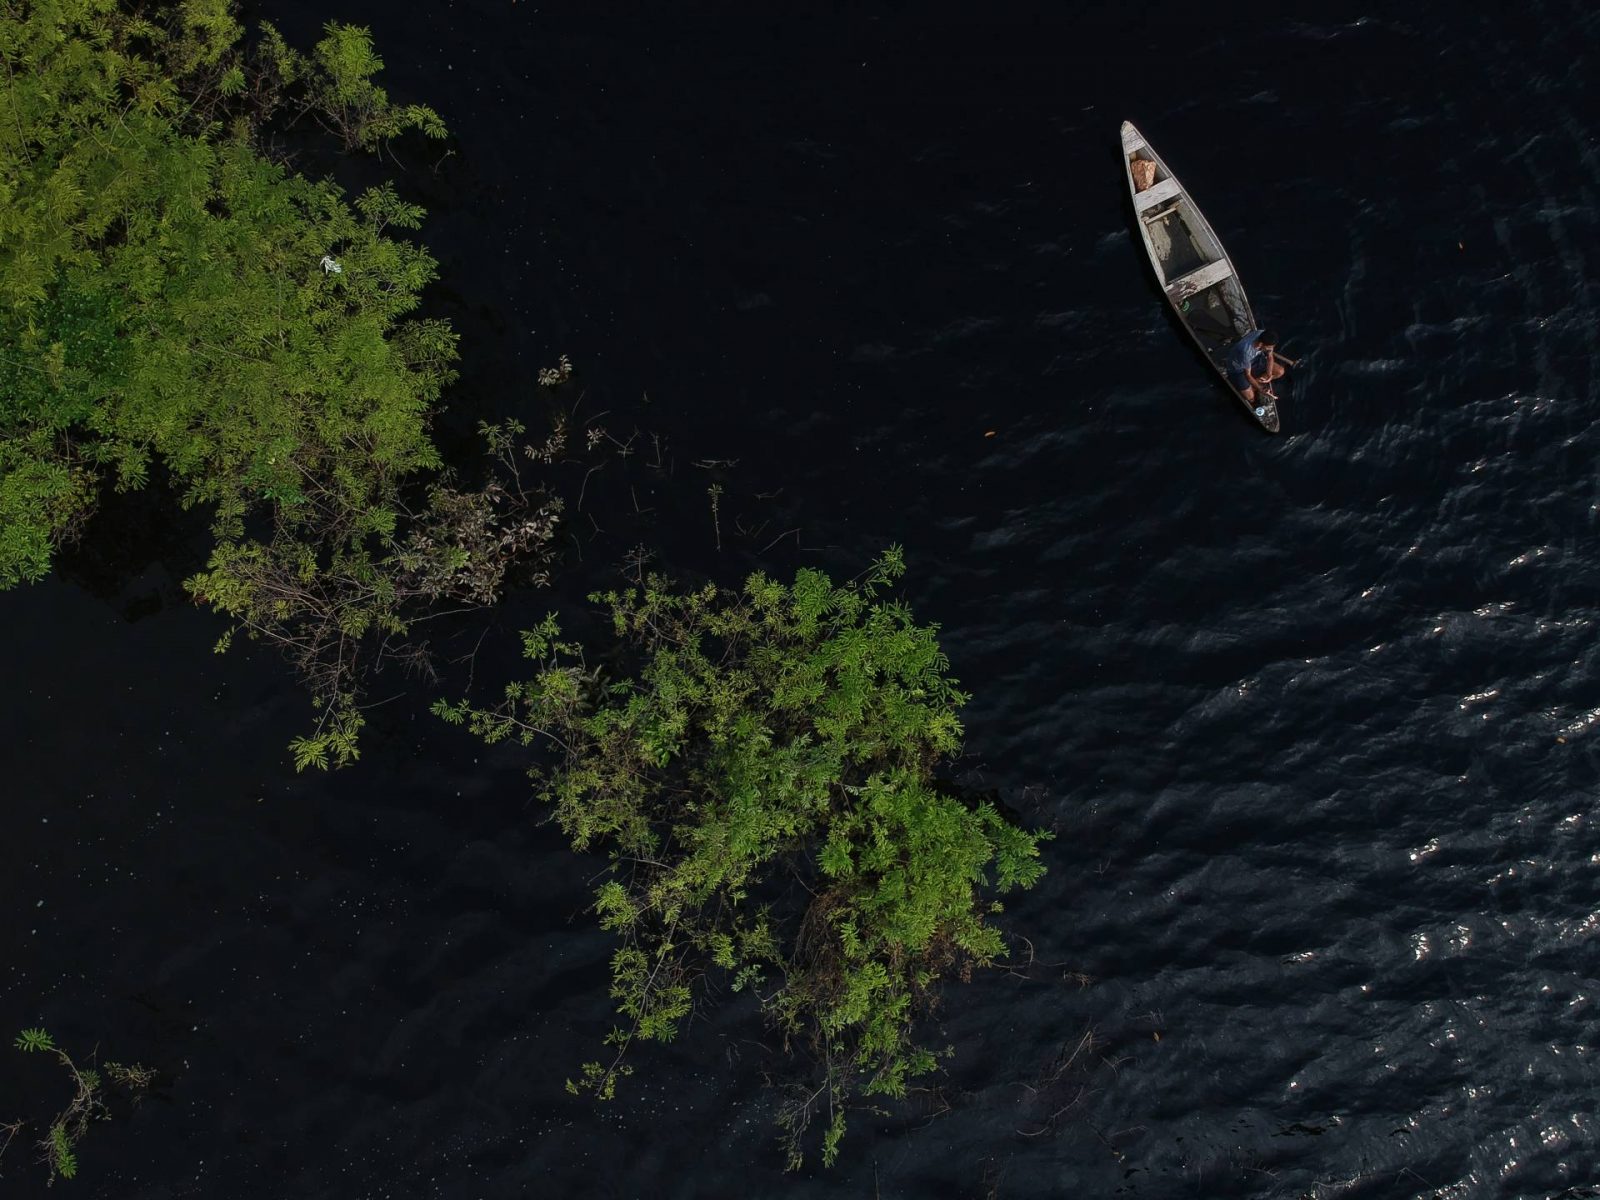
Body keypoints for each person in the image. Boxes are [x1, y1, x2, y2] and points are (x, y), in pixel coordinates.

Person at [1225, 328, 1285, 403]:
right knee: (1250, 398)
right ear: (1261, 344)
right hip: (1238, 368)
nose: (1271, 349)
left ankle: (1252, 386)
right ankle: (1249, 388)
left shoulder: (1263, 334)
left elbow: (1269, 356)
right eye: (1269, 347)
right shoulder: (1246, 351)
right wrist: (1261, 389)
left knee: (1280, 371)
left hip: (1255, 359)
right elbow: (1248, 375)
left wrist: (1269, 374)